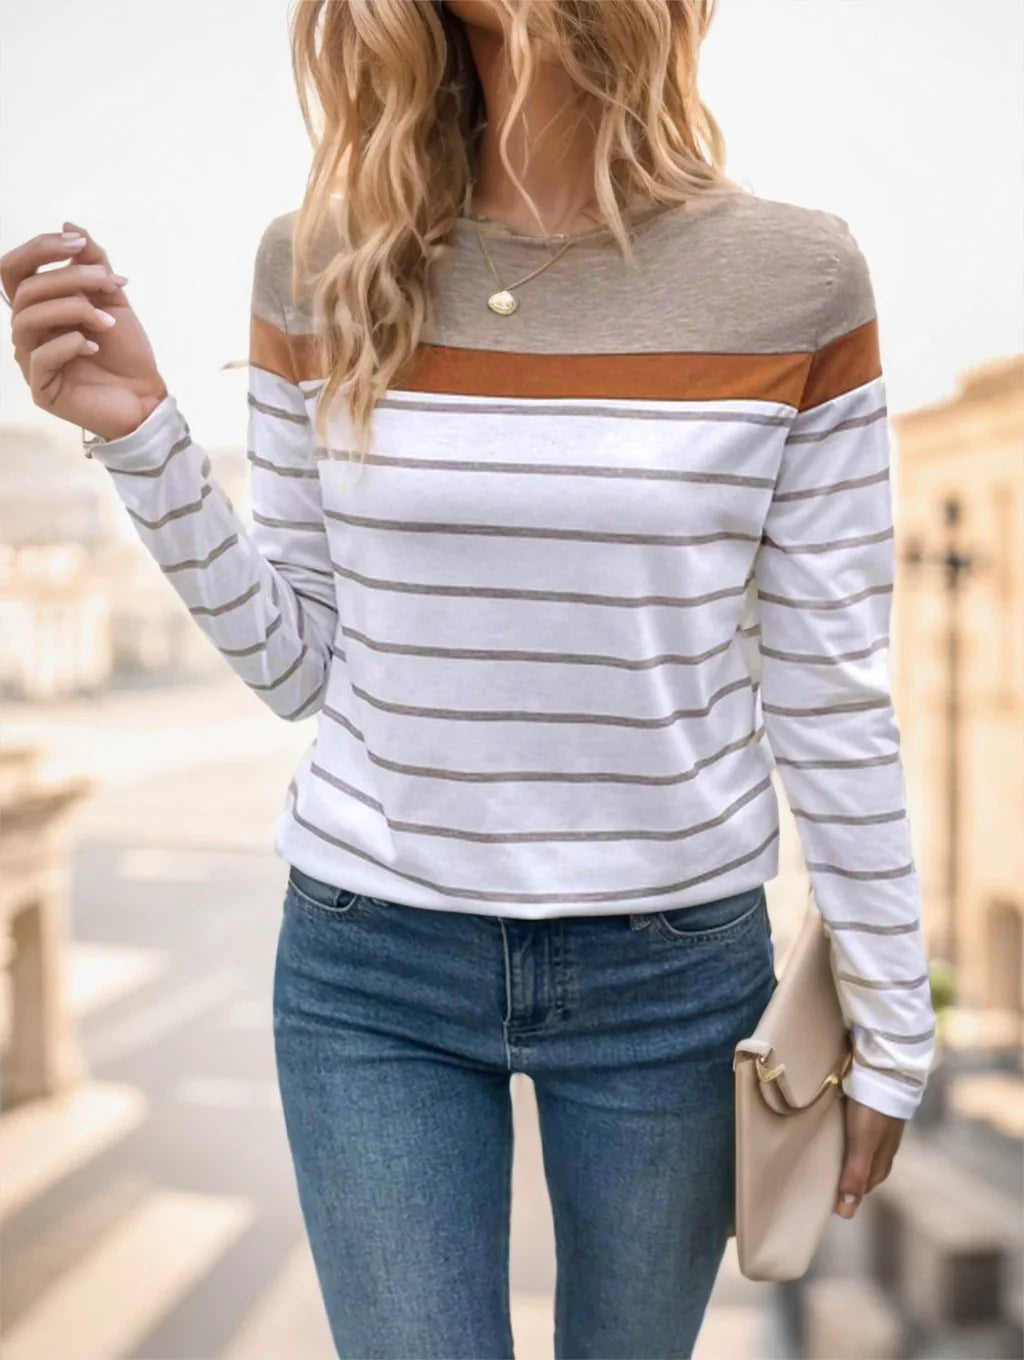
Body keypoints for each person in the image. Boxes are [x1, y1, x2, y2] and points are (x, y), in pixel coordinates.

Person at [2, 1, 936, 1355]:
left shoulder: (796, 279)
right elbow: (299, 660)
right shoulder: (317, 267)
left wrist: (893, 1023)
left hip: (672, 976)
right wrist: (145, 438)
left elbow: (828, 685)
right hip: (372, 962)